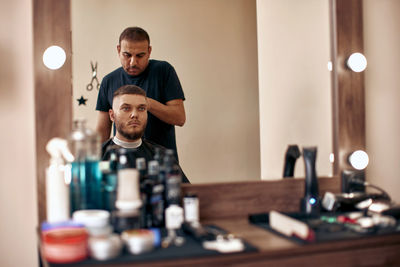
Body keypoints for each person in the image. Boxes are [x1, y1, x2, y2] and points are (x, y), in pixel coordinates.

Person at [96, 26, 186, 160]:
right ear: (118, 50)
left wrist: (147, 104)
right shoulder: (108, 81)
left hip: (160, 161)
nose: (133, 62)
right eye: (127, 55)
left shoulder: (163, 71)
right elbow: (102, 131)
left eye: (140, 56)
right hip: (121, 160)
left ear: (149, 51)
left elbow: (179, 118)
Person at [102, 84, 189, 183]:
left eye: (141, 108)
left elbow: (186, 194)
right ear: (112, 115)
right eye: (126, 108)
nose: (134, 114)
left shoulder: (163, 157)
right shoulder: (98, 157)